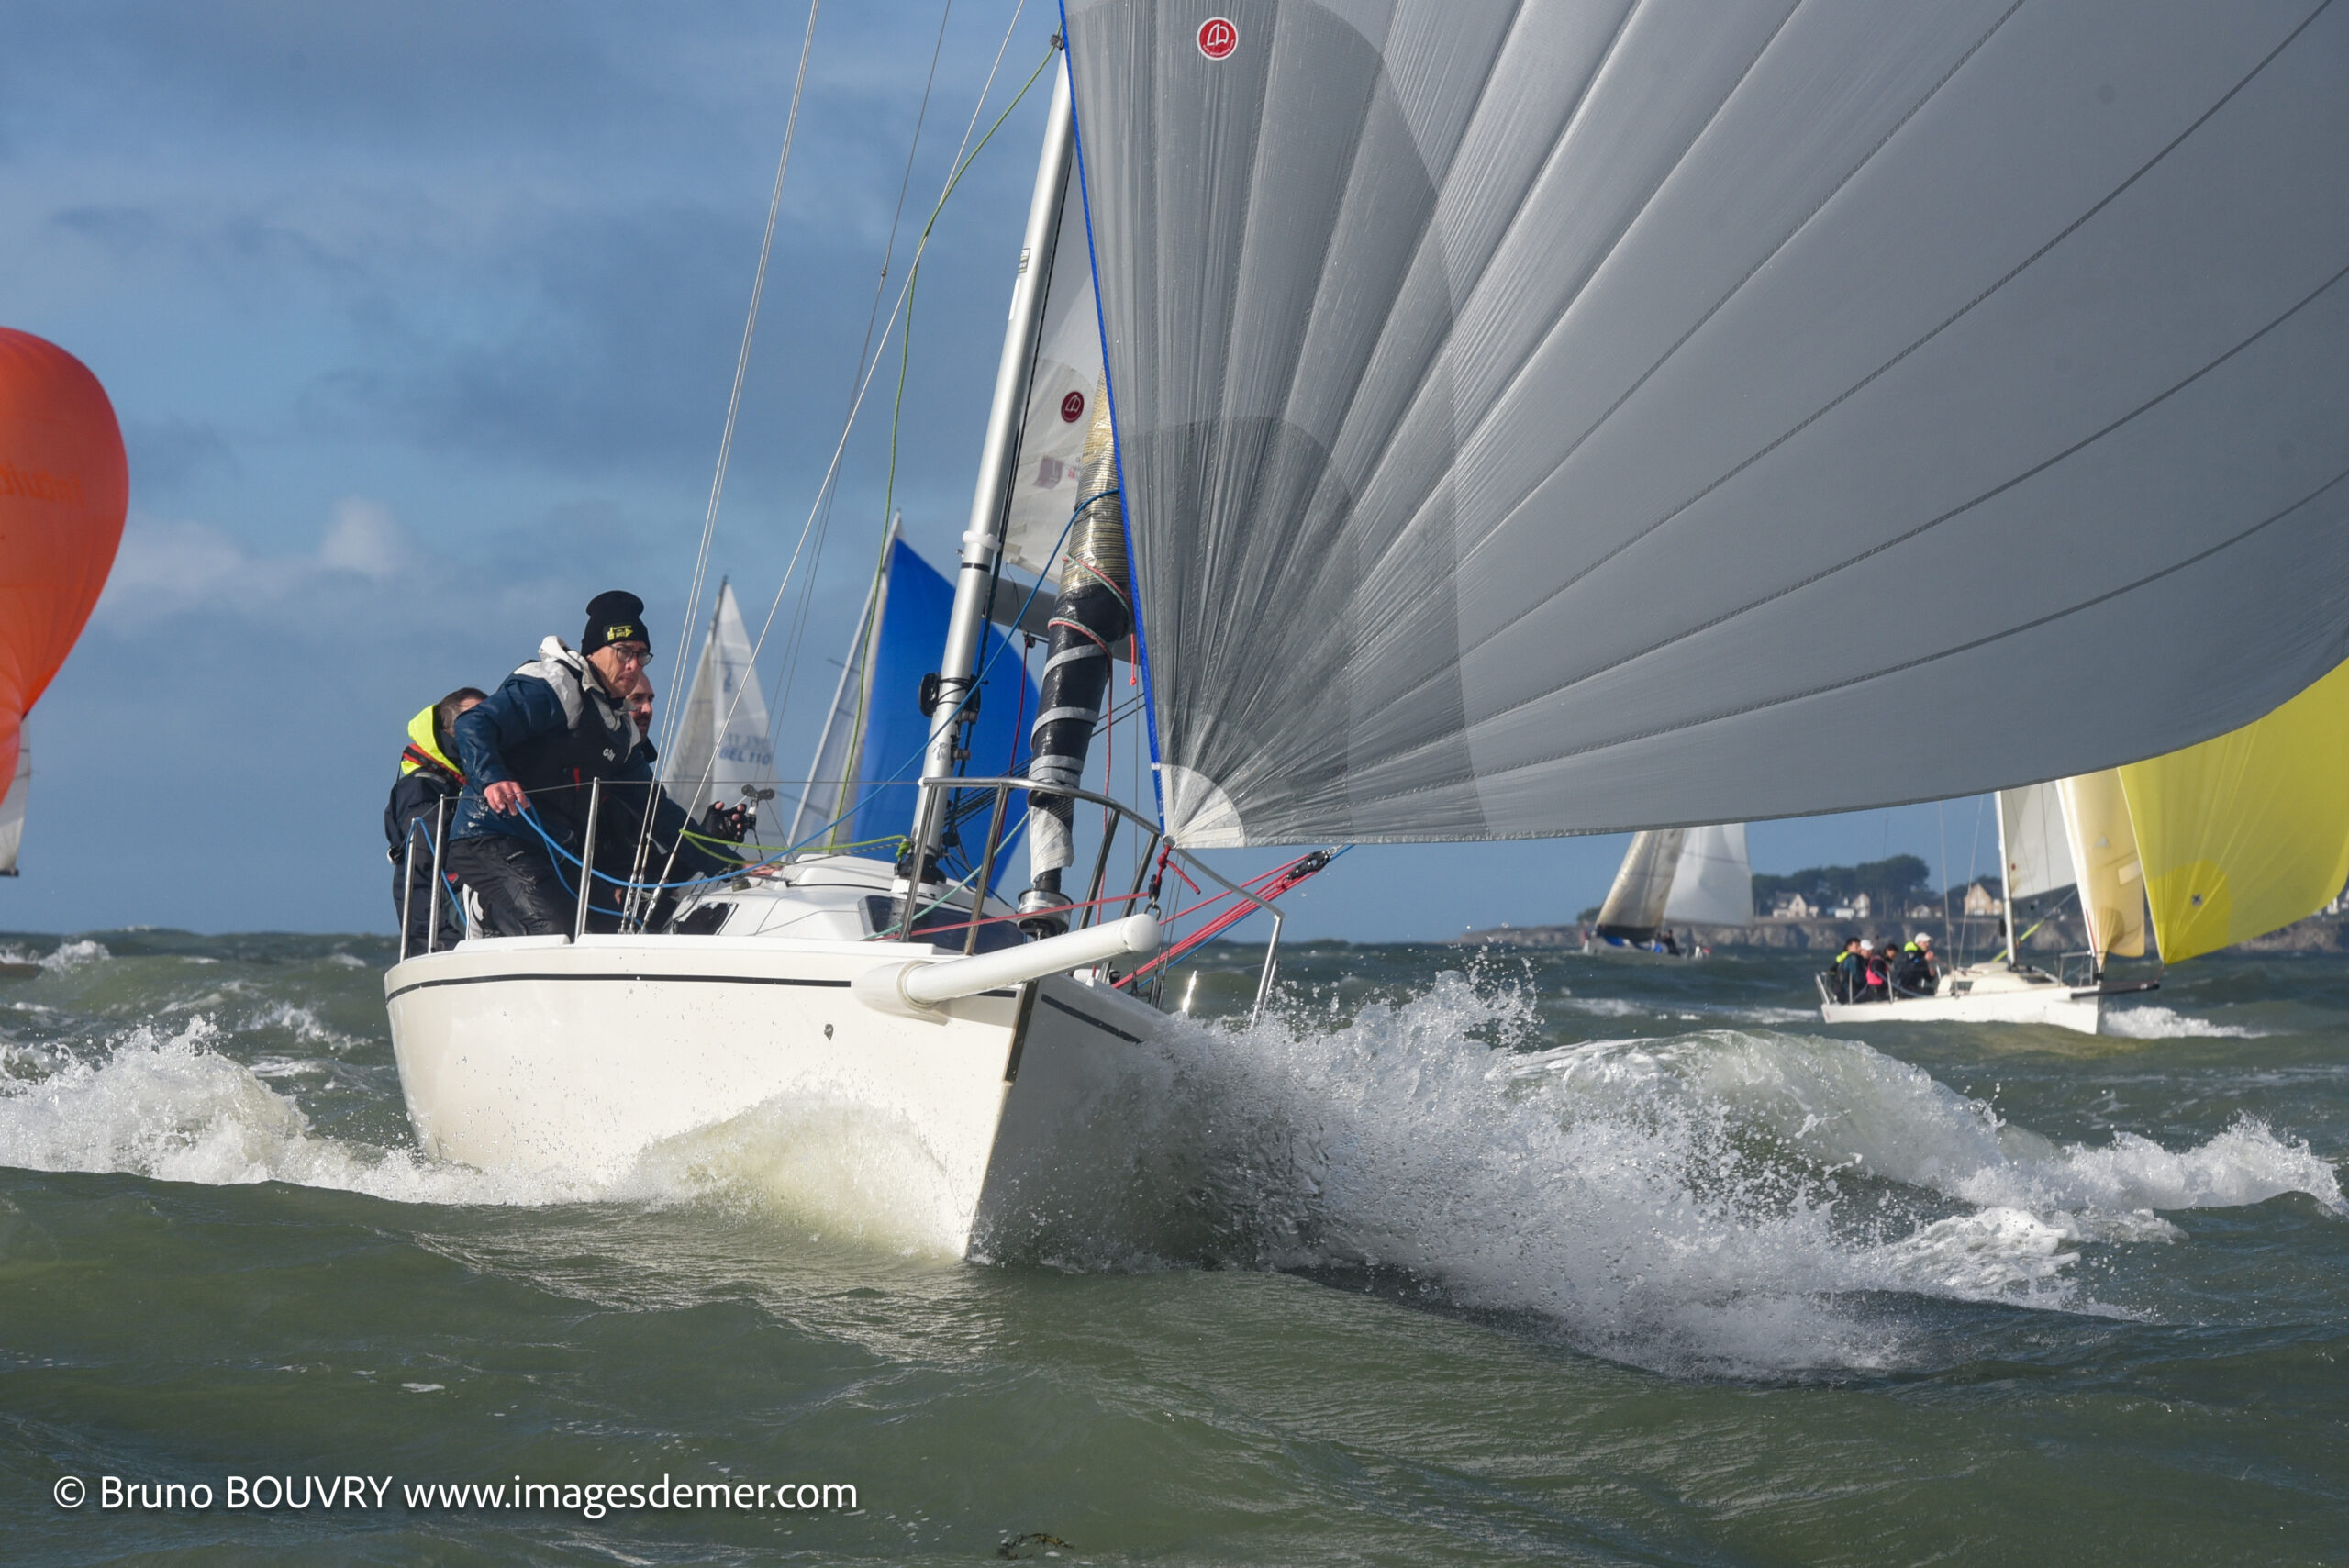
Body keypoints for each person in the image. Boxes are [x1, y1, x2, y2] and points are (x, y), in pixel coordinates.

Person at [445, 592, 659, 936]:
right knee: (559, 930)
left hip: (551, 849)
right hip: (489, 837)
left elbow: (658, 811)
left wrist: (725, 862)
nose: (634, 665)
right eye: (623, 652)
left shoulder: (620, 729)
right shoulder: (557, 686)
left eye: (641, 655)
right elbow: (472, 723)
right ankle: (486, 909)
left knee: (614, 930)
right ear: (594, 652)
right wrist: (493, 777)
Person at [384, 687, 485, 955]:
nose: (485, 730)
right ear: (449, 731)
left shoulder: (457, 785)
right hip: (440, 937)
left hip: (450, 929)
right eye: (477, 721)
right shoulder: (421, 788)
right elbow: (428, 863)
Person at [1831, 936, 1865, 1003]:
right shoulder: (1853, 958)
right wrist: (1864, 982)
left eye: (1860, 946)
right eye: (1857, 946)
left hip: (1841, 991)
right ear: (1849, 947)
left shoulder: (1843, 957)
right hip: (1850, 992)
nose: (1859, 948)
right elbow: (1856, 975)